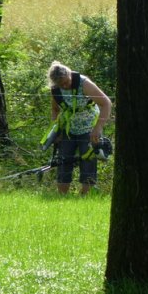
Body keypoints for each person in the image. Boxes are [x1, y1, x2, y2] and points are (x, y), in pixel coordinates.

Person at [47, 61, 112, 195]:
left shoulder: (84, 83)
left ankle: (85, 196)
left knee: (88, 160)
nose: (65, 86)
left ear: (70, 74)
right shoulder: (55, 89)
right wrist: (56, 131)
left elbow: (106, 103)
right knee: (63, 161)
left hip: (89, 128)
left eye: (66, 82)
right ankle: (62, 197)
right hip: (67, 129)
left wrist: (98, 128)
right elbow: (55, 110)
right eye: (61, 85)